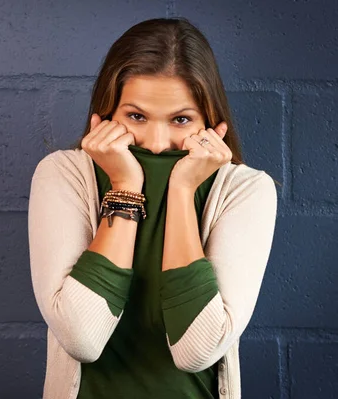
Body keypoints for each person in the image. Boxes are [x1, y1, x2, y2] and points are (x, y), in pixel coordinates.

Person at [27, 17, 278, 399]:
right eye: (136, 116)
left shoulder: (245, 190)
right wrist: (126, 187)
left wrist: (180, 191)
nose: (158, 143)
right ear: (106, 114)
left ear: (210, 122)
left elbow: (198, 350)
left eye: (181, 119)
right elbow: (82, 338)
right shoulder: (64, 174)